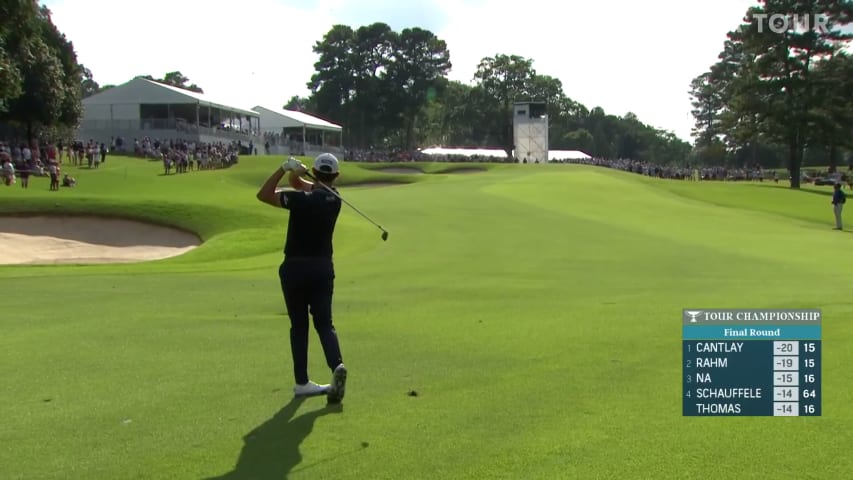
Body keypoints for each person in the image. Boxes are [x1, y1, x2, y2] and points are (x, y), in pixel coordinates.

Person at [256, 153, 348, 403]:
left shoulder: (299, 201)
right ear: (336, 176)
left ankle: (302, 382)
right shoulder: (335, 199)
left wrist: (284, 168)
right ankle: (336, 365)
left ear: (315, 173)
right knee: (324, 323)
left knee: (299, 326)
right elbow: (304, 185)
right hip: (322, 269)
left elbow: (264, 194)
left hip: (294, 269)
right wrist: (297, 174)